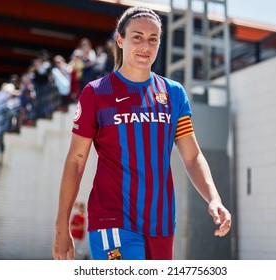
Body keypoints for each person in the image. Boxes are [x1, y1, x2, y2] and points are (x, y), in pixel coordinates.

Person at [52, 6, 231, 261]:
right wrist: (62, 224)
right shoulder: (97, 93)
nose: (145, 45)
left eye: (153, 39)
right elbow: (76, 160)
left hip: (161, 223)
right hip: (112, 219)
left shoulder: (174, 93)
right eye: (137, 37)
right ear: (120, 39)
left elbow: (192, 157)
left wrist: (214, 198)